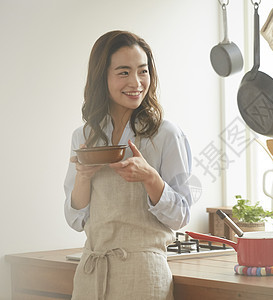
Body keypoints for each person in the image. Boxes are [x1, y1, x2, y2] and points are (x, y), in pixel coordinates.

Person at [63, 30, 193, 300]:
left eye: (142, 71)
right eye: (123, 72)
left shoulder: (165, 134)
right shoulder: (85, 135)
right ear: (103, 77)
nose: (136, 82)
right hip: (91, 272)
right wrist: (84, 177)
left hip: (143, 275)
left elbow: (181, 215)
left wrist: (150, 178)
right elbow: (76, 219)